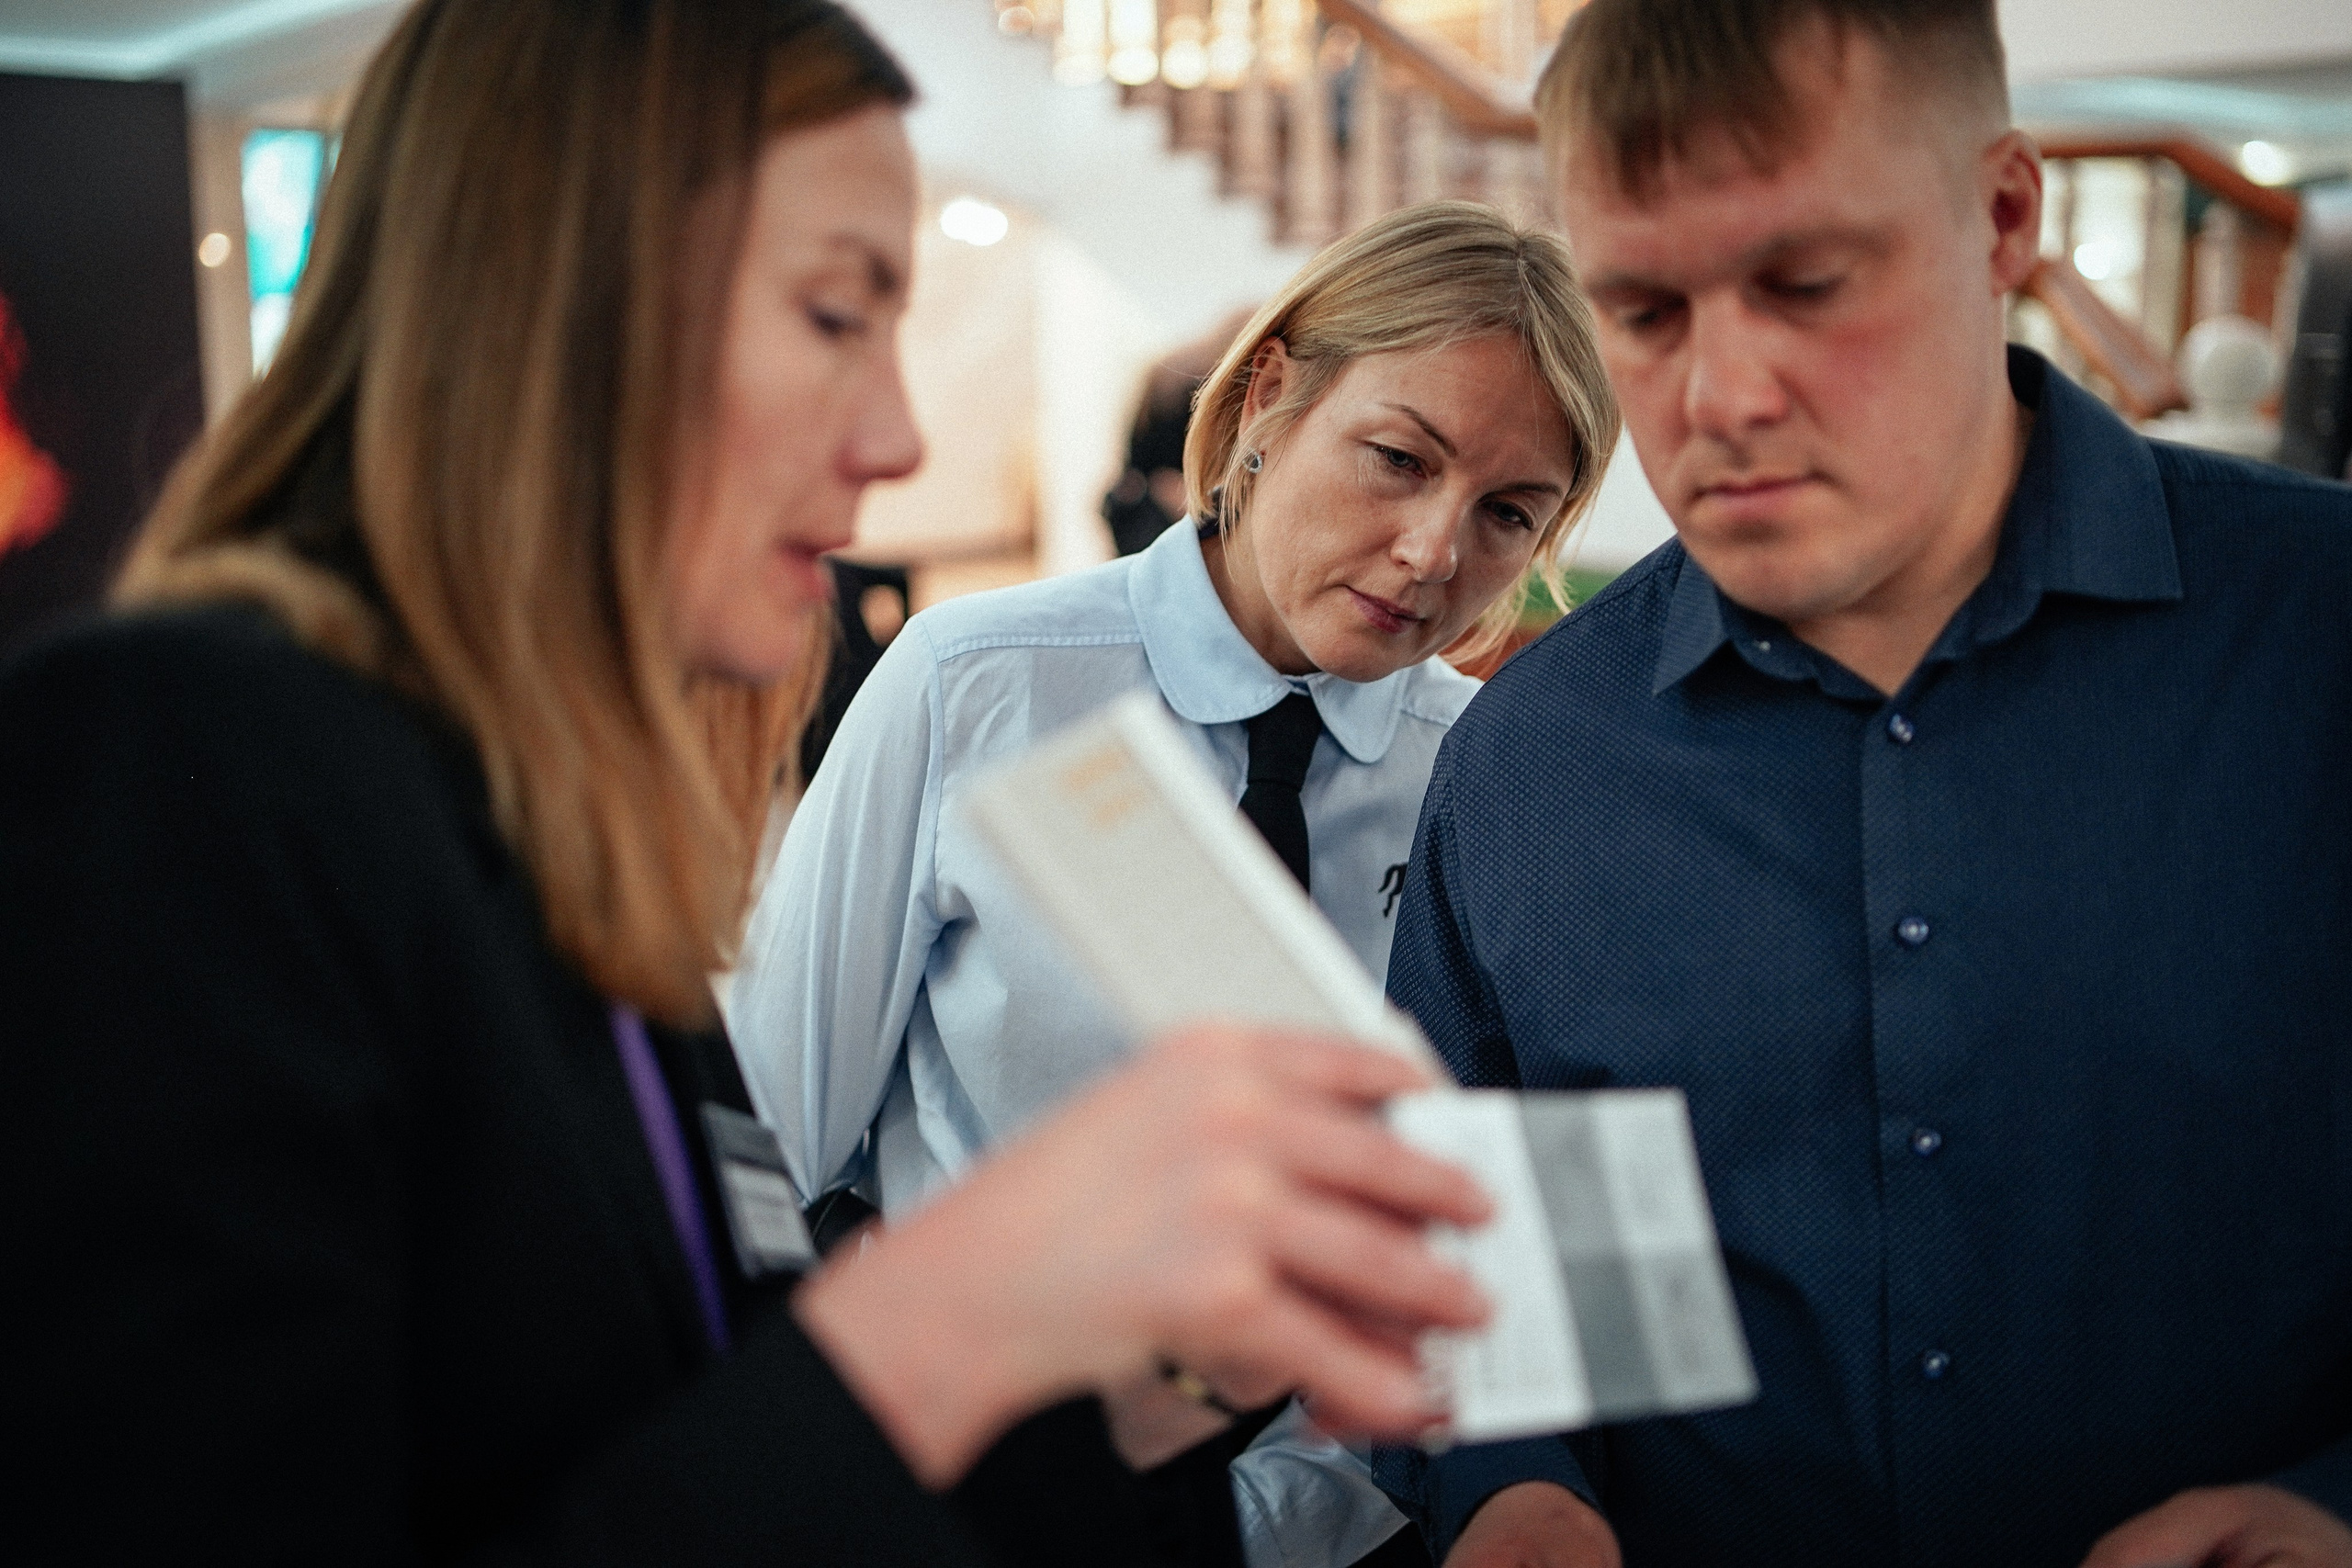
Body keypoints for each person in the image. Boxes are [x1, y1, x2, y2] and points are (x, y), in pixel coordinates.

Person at [0, 2, 1502, 1561]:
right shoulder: (177, 770)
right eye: (834, 316)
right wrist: (957, 1307)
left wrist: (1172, 1363)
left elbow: (725, 1431)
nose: (897, 438)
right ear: (556, 301)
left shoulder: (573, 863)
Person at [1373, 2, 2352, 1566]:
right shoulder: (1535, 761)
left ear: (2004, 218)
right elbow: (1493, 1248)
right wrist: (1519, 1481)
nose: (1721, 398)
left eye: (1807, 286)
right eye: (1645, 312)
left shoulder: (2319, 652)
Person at [725, 199, 1620, 1568]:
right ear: (1271, 395)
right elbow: (777, 1139)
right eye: (1396, 459)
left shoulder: (1489, 773)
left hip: (1355, 1524)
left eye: (1510, 513)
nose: (1436, 553)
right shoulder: (980, 687)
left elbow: (1495, 1211)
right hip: (996, 1503)